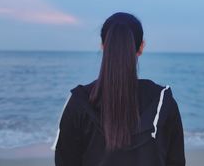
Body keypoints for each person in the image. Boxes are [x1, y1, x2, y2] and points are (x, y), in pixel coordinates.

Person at [52, 12, 185, 166]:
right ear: (141, 47)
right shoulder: (163, 102)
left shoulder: (79, 102)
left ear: (103, 46)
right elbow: (176, 162)